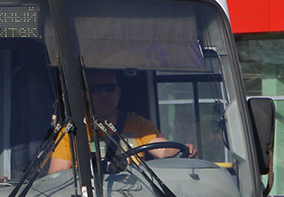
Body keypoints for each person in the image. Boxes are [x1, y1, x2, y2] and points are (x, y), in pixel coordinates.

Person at [48, 69, 187, 173]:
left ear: (118, 92)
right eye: (96, 89)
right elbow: (57, 177)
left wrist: (185, 148)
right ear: (87, 95)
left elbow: (163, 150)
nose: (104, 94)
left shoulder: (137, 124)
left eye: (109, 88)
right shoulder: (73, 130)